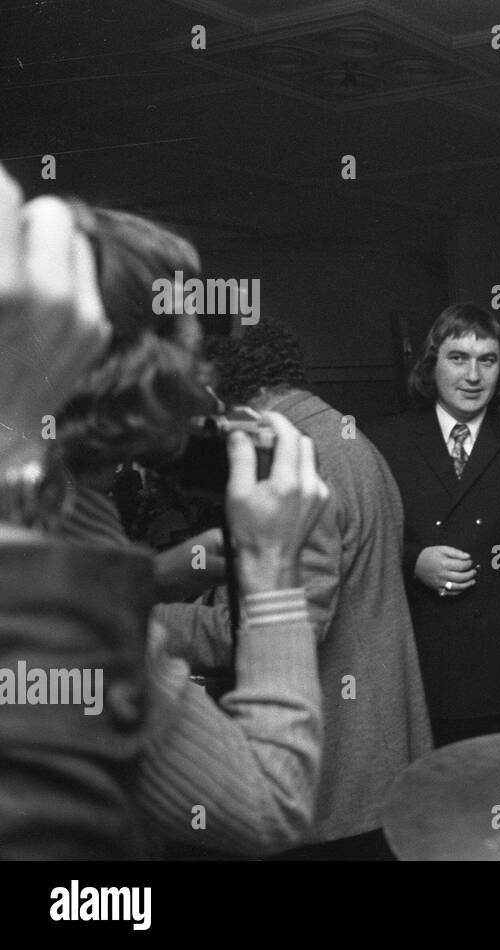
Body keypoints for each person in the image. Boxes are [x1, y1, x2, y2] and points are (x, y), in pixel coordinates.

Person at [0, 169, 330, 856]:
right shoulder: (63, 573)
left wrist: (149, 579)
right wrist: (271, 570)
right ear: (141, 367)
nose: (205, 371)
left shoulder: (72, 504)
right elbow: (266, 803)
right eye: (190, 336)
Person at [155, 321, 433, 859]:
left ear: (236, 402)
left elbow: (285, 624)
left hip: (332, 765)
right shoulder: (349, 439)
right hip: (378, 750)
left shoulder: (292, 463)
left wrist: (156, 620)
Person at [369, 303, 500, 746]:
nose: (473, 375)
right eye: (458, 358)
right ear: (431, 363)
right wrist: (414, 562)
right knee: (426, 801)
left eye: (488, 360)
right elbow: (361, 543)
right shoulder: (390, 442)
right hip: (419, 663)